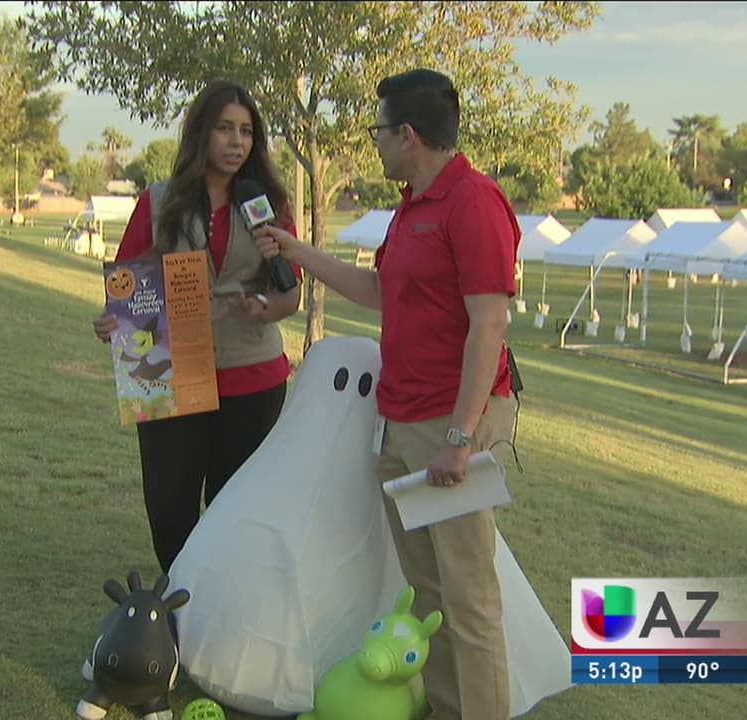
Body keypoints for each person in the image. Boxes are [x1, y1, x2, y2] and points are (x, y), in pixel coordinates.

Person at [251, 69, 521, 720]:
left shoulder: (473, 202)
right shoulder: (411, 206)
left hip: (451, 421)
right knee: (429, 590)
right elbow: (380, 292)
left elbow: (489, 325)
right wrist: (296, 251)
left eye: (378, 129)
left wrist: (459, 438)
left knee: (468, 593)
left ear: (407, 134)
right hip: (400, 419)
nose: (373, 141)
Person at [93, 80, 302, 574]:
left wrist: (263, 307)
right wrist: (113, 321)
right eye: (225, 129)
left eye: (246, 132)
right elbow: (127, 284)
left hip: (252, 378)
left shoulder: (269, 204)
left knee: (237, 512)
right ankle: (181, 598)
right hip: (169, 374)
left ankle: (225, 606)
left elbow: (290, 294)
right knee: (169, 511)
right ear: (201, 133)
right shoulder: (159, 200)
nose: (236, 142)